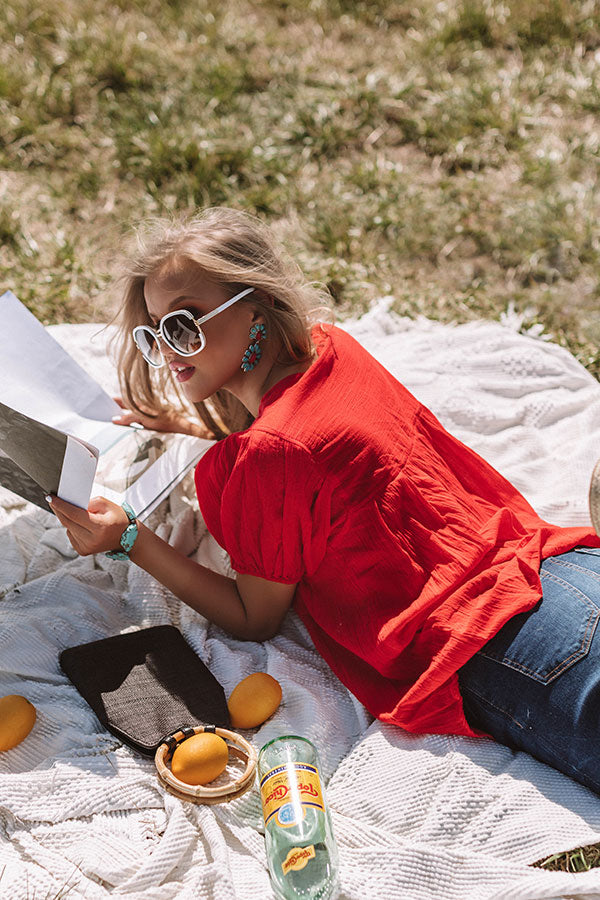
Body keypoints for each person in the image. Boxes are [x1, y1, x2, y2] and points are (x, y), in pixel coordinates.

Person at [49, 206, 600, 794]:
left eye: (184, 326)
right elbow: (312, 438)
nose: (169, 350)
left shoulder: (271, 456)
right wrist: (192, 421)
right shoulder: (334, 349)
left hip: (499, 648)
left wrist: (130, 538)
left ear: (253, 309)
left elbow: (252, 617)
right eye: (153, 333)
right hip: (561, 573)